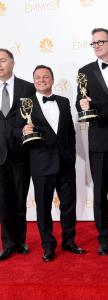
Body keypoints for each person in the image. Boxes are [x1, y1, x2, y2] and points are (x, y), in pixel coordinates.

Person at [15, 65, 85, 262]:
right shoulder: (25, 103)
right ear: (34, 81)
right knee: (43, 208)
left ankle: (69, 242)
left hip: (65, 164)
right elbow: (16, 129)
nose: (42, 80)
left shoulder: (63, 102)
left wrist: (70, 156)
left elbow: (70, 131)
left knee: (69, 206)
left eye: (46, 77)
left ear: (52, 80)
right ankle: (48, 246)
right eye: (38, 77)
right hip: (41, 164)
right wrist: (23, 131)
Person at [75, 28, 108, 255]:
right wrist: (82, 105)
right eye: (93, 43)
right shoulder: (84, 71)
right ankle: (103, 237)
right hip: (99, 140)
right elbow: (81, 102)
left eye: (100, 41)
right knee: (100, 193)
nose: (96, 45)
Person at [0, 49, 35, 260]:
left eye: (2, 60)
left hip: (22, 154)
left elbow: (33, 118)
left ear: (12, 63)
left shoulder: (27, 87)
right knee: (3, 202)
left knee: (20, 200)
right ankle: (7, 243)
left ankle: (21, 241)